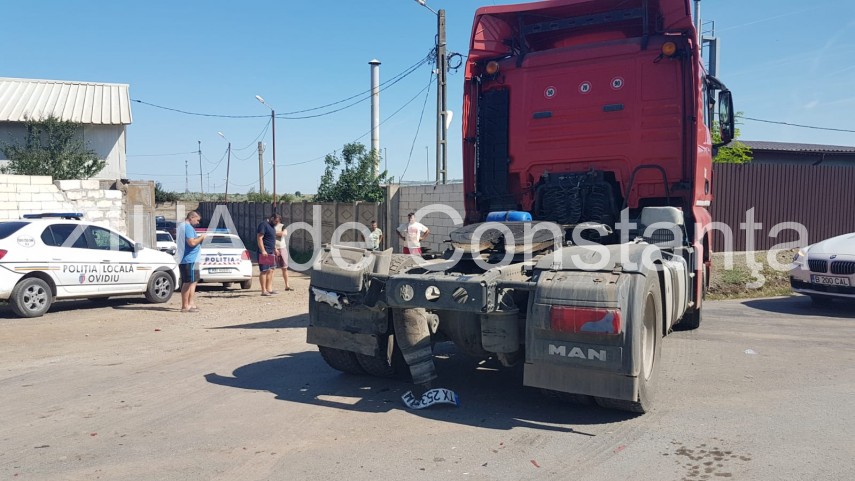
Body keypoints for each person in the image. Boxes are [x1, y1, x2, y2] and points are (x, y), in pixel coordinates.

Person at [178, 211, 207, 313]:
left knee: (193, 282)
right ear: (192, 217)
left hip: (193, 259)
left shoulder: (184, 227)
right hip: (189, 259)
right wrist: (201, 237)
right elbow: (191, 242)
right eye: (197, 220)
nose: (198, 222)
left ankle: (191, 303)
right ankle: (185, 305)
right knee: (188, 282)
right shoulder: (188, 228)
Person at [257, 214, 279, 296]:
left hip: (271, 251)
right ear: (272, 218)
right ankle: (263, 290)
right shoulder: (263, 225)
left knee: (271, 269)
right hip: (265, 252)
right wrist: (263, 250)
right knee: (264, 271)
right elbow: (259, 238)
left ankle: (269, 289)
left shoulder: (272, 227)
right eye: (276, 221)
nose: (276, 223)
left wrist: (275, 249)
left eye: (278, 222)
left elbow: (271, 239)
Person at [273, 216, 293, 291]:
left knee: (284, 268)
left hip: (282, 248)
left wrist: (274, 233)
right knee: (272, 269)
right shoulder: (270, 226)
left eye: (277, 220)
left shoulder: (282, 226)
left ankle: (287, 285)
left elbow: (284, 233)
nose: (276, 221)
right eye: (275, 220)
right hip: (273, 248)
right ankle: (269, 286)